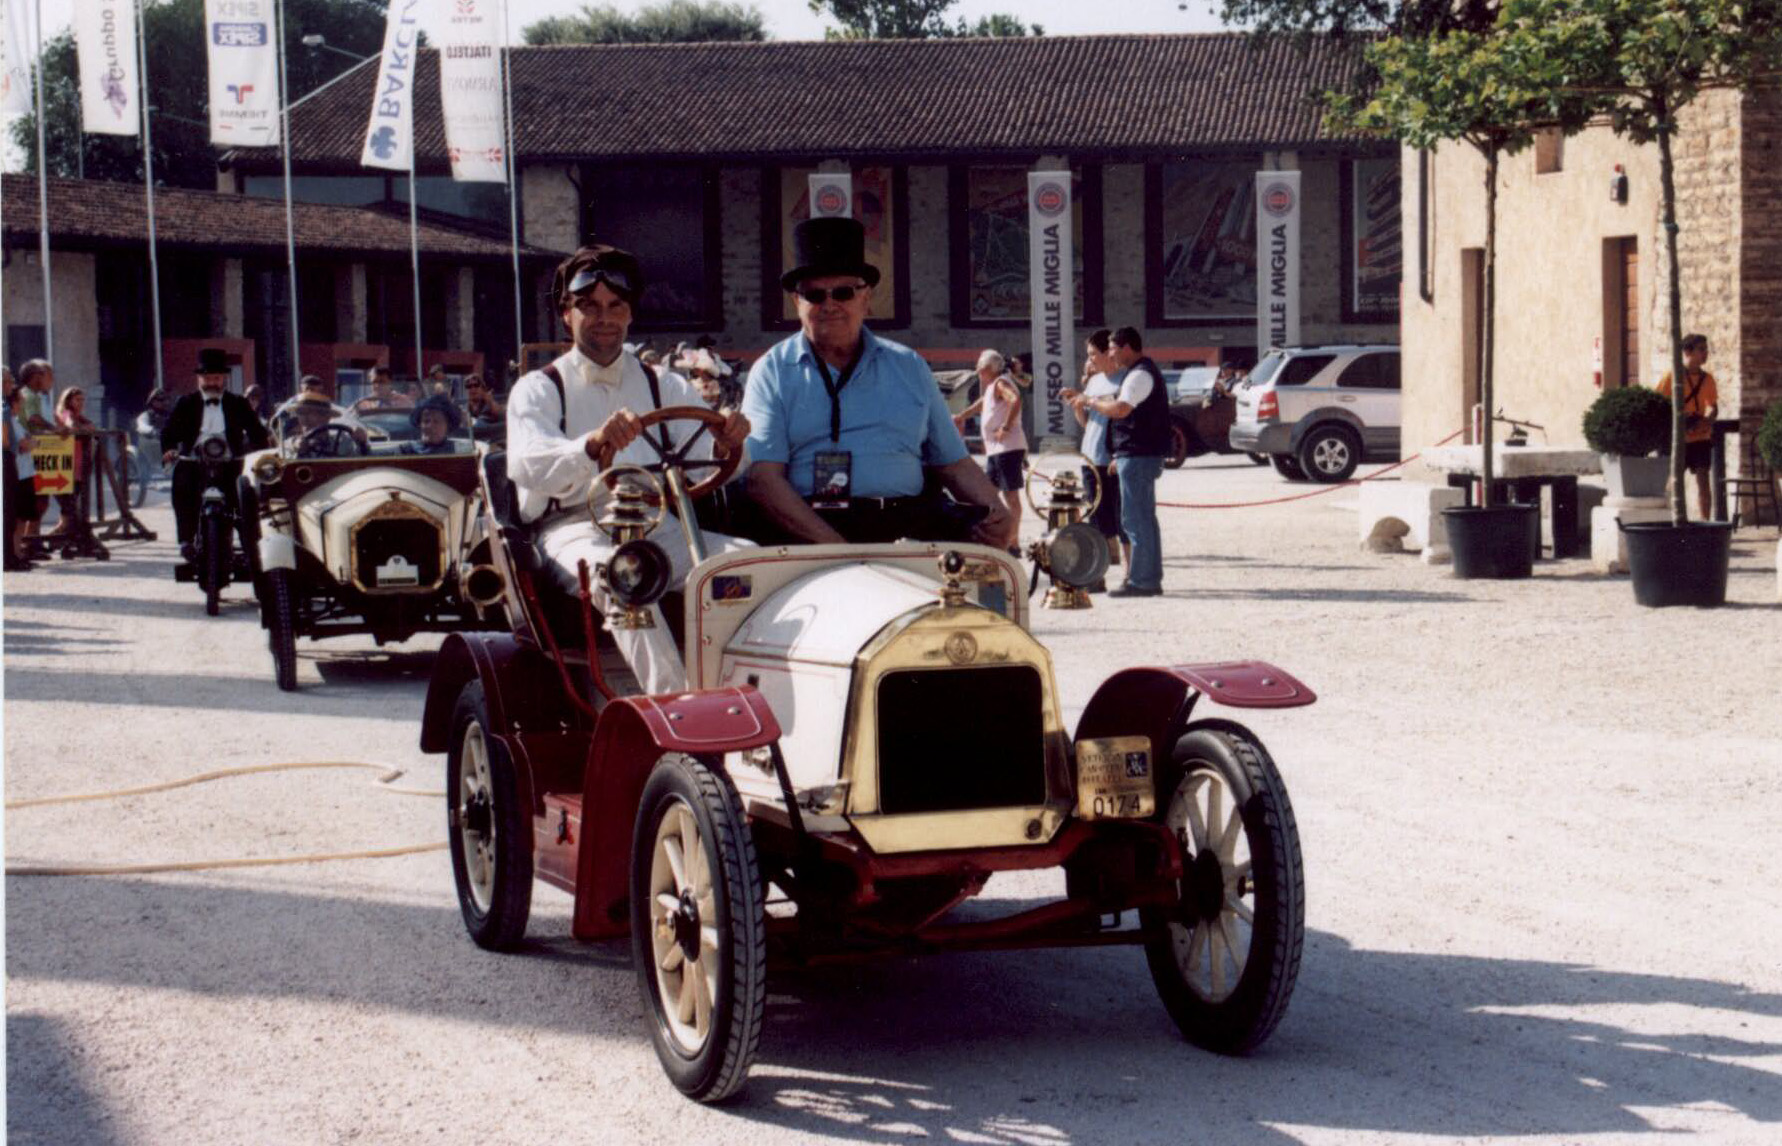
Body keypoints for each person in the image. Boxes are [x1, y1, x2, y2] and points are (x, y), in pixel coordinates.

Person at [507, 244, 752, 696]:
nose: (604, 318)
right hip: (575, 529)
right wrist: (593, 444)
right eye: (589, 306)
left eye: (615, 306)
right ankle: (675, 708)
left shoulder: (665, 384)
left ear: (630, 313)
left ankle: (741, 696)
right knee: (624, 575)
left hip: (659, 524)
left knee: (746, 563)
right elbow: (530, 466)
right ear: (566, 315)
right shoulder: (538, 388)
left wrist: (727, 442)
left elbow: (713, 465)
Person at [741, 216, 1015, 547]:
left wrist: (999, 512)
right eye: (814, 295)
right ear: (796, 302)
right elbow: (763, 480)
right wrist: (837, 550)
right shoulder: (772, 371)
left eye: (843, 292)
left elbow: (954, 464)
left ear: (866, 297)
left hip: (911, 527)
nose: (829, 305)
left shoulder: (909, 366)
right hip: (812, 532)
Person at [1069, 326, 1169, 597]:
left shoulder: (1138, 375)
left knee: (1135, 520)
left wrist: (1090, 401)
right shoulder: (1139, 372)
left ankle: (1142, 581)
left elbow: (1121, 409)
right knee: (1140, 519)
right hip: (1133, 455)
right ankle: (1146, 578)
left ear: (1126, 348)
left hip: (1137, 455)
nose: (1111, 354)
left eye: (1113, 348)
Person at [162, 348, 272, 562]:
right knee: (181, 484)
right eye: (208, 378)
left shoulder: (238, 403)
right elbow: (168, 432)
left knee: (246, 496)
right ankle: (186, 540)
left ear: (224, 379)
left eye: (217, 378)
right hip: (194, 462)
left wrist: (261, 454)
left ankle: (250, 545)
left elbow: (257, 433)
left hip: (231, 462)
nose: (212, 383)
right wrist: (169, 449)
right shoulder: (186, 403)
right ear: (199, 379)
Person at [1060, 330, 1130, 589]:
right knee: (1096, 518)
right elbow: (1087, 423)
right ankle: (1096, 575)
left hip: (1113, 458)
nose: (1089, 360)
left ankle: (1129, 574)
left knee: (1122, 518)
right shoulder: (1094, 382)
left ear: (1107, 353)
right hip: (1090, 458)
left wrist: (1119, 454)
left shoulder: (1126, 379)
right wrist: (1078, 406)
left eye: (1092, 354)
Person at [951, 349, 1028, 545]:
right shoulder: (994, 385)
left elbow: (1015, 400)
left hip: (1006, 449)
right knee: (989, 493)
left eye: (980, 367)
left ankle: (1013, 542)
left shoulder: (1001, 383)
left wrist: (1005, 427)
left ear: (989, 368)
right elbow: (982, 403)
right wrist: (962, 416)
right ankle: (997, 536)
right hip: (998, 450)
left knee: (1011, 497)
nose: (977, 371)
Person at [1654, 333, 1719, 521]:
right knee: (1672, 481)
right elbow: (1657, 403)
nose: (1705, 354)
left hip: (1700, 437)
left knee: (1703, 482)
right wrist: (1679, 421)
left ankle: (1705, 521)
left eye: (1706, 350)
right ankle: (1669, 519)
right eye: (1701, 350)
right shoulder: (1672, 376)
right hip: (1678, 438)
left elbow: (1713, 407)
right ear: (1688, 352)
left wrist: (1708, 421)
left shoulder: (1707, 379)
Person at [53, 386, 97, 532]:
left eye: (82, 400)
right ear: (69, 400)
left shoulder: (79, 416)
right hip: (65, 465)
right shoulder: (64, 412)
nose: (81, 403)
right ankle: (65, 536)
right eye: (77, 400)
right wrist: (84, 428)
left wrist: (85, 428)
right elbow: (72, 426)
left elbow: (91, 426)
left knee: (68, 510)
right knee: (69, 506)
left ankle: (60, 537)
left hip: (78, 466)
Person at [4, 372, 35, 570]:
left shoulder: (13, 419)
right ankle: (12, 554)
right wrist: (31, 443)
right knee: (14, 516)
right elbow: (19, 444)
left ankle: (16, 553)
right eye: (19, 402)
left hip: (21, 470)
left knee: (19, 516)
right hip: (16, 470)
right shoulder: (7, 415)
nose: (21, 405)